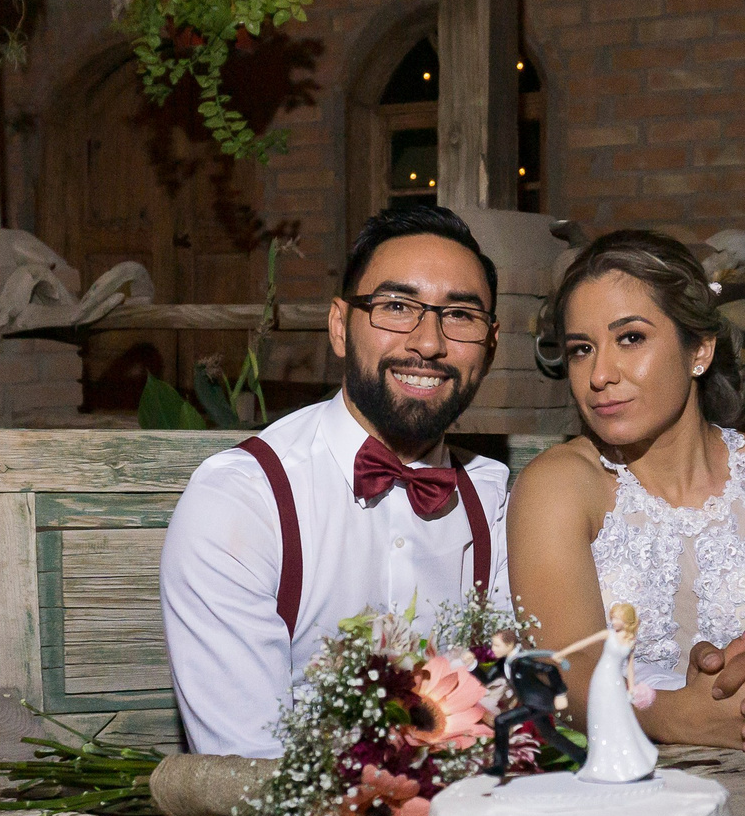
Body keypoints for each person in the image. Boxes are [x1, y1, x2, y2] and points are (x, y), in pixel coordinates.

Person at [161, 204, 512, 756]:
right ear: (340, 327)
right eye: (397, 307)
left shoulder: (494, 503)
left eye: (460, 316)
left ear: (490, 347)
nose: (427, 343)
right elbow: (249, 766)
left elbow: (508, 715)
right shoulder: (243, 503)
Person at [508, 229, 745, 752]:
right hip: (611, 774)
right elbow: (563, 668)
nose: (600, 374)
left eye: (630, 338)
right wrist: (673, 717)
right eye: (582, 349)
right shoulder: (555, 486)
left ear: (699, 349)